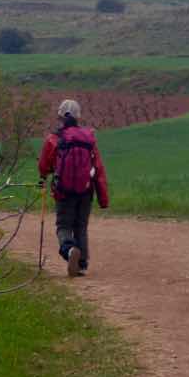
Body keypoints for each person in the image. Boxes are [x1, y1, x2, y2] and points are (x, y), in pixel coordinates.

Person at [38, 99, 109, 277]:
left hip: (63, 190)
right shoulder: (89, 137)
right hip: (86, 190)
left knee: (63, 226)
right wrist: (103, 198)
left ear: (60, 116)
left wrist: (43, 177)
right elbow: (98, 168)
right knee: (81, 226)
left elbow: (44, 166)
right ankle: (82, 264)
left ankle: (69, 250)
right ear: (78, 116)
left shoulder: (53, 139)